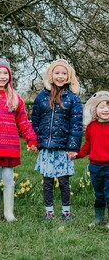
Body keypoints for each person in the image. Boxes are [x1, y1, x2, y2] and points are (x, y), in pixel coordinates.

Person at [0, 58, 37, 222]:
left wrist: (31, 140)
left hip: (10, 145)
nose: (2, 76)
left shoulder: (15, 98)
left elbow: (23, 122)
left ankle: (9, 213)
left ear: (10, 76)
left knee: (8, 177)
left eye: (5, 73)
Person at [31, 59, 83, 220]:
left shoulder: (73, 99)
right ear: (51, 76)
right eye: (57, 73)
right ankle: (49, 212)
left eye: (64, 73)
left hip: (63, 148)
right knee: (47, 182)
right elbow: (35, 120)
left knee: (63, 182)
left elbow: (76, 125)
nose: (60, 76)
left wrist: (73, 147)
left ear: (69, 77)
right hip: (46, 146)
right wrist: (35, 140)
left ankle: (66, 212)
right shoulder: (41, 97)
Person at [73, 91, 109, 227]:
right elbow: (88, 144)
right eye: (102, 107)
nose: (106, 109)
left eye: (108, 106)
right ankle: (98, 218)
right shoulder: (91, 127)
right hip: (95, 166)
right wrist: (78, 155)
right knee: (99, 194)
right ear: (95, 110)